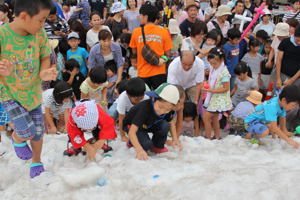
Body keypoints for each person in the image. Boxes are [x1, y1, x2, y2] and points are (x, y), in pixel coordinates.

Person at [0, 0, 57, 178]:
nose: (43, 24)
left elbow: (44, 57)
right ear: (24, 16)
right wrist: (5, 70)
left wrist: (44, 72)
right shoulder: (2, 35)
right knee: (26, 131)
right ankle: (17, 139)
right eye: (41, 20)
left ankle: (36, 161)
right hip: (10, 93)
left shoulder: (39, 34)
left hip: (33, 93)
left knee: (38, 132)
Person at [123, 83, 181, 160]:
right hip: (132, 126)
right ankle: (131, 142)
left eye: (167, 110)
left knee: (165, 125)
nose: (162, 111)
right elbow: (132, 132)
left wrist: (175, 139)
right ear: (154, 99)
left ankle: (157, 146)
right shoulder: (144, 108)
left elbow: (171, 123)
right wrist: (140, 150)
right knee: (146, 145)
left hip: (148, 124)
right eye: (160, 107)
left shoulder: (168, 109)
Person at [129, 2, 172, 90]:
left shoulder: (136, 32)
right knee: (160, 99)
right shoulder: (163, 32)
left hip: (143, 72)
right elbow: (168, 54)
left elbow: (134, 52)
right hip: (159, 72)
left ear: (146, 16)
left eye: (140, 15)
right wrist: (161, 59)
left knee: (144, 99)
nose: (139, 17)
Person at [202, 48, 232, 140]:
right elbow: (211, 80)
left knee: (206, 118)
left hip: (219, 99)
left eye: (214, 63)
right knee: (214, 118)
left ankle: (208, 137)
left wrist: (211, 90)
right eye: (211, 63)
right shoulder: (214, 68)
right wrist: (207, 82)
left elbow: (226, 88)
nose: (212, 65)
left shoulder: (224, 73)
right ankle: (217, 136)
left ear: (221, 60)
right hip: (214, 98)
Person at [276, 25, 300, 89]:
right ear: (294, 35)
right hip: (281, 74)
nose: (299, 43)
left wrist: (292, 80)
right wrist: (278, 78)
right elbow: (278, 60)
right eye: (297, 40)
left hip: (296, 78)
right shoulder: (286, 42)